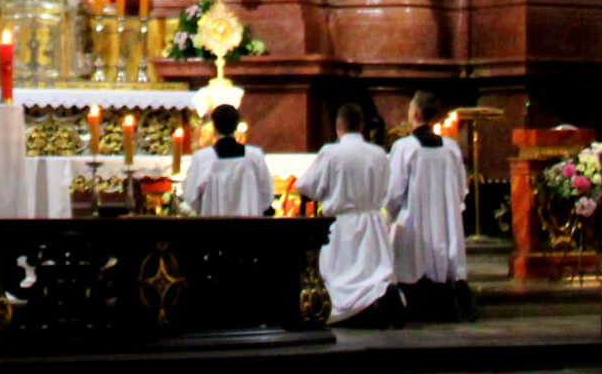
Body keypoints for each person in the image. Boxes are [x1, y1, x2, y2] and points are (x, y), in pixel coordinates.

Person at [296, 103, 396, 324]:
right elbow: (387, 188)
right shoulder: (378, 153)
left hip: (341, 225)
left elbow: (306, 186)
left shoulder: (331, 153)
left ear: (338, 126)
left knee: (341, 277)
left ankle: (346, 310)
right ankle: (377, 303)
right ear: (362, 126)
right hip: (372, 222)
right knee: (372, 274)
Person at [385, 92, 469, 320]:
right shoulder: (451, 148)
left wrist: (389, 215)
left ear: (414, 113)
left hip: (413, 220)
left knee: (410, 258)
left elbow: (393, 191)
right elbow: (460, 189)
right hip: (444, 220)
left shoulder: (404, 148)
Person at [181, 103, 275, 218]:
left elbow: (191, 197)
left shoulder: (202, 158)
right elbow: (266, 195)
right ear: (236, 126)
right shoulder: (255, 156)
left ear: (214, 126)